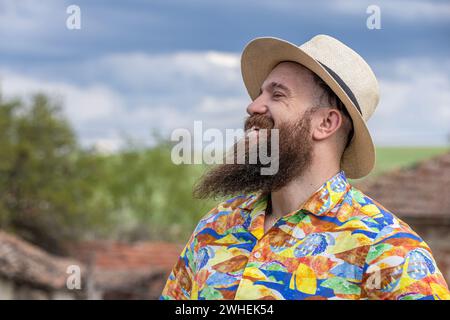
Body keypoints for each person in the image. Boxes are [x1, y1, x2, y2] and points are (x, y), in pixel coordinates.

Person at [160, 35, 450, 300]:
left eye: (277, 95)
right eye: (260, 94)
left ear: (325, 123)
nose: (254, 107)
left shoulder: (390, 250)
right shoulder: (216, 228)